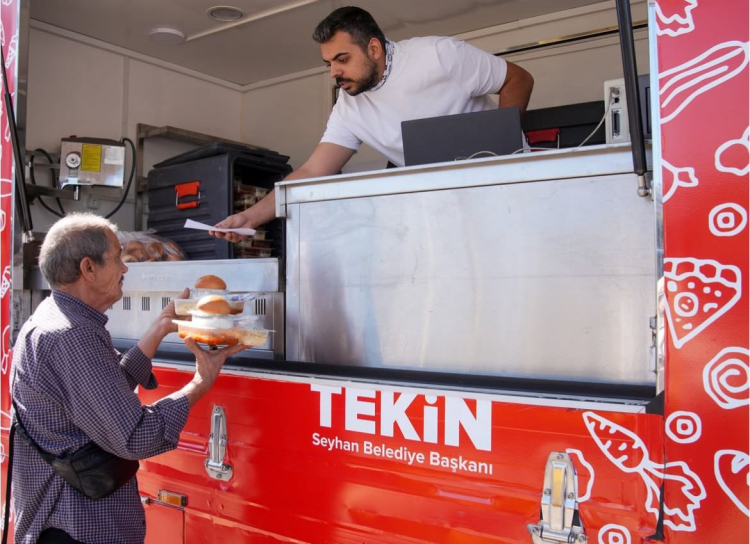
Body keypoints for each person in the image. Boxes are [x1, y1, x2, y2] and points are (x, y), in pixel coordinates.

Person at [8, 213, 246, 544]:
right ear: (88, 268)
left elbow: (101, 395)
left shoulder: (53, 319)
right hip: (76, 530)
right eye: (117, 258)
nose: (125, 268)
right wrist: (200, 382)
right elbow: (135, 436)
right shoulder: (72, 335)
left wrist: (158, 328)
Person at [211, 5, 534, 242]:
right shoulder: (348, 108)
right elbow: (310, 171)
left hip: (512, 189)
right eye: (328, 63)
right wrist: (249, 217)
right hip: (444, 207)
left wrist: (498, 157)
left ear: (374, 49)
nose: (334, 72)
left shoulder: (439, 55)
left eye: (342, 59)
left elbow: (518, 80)